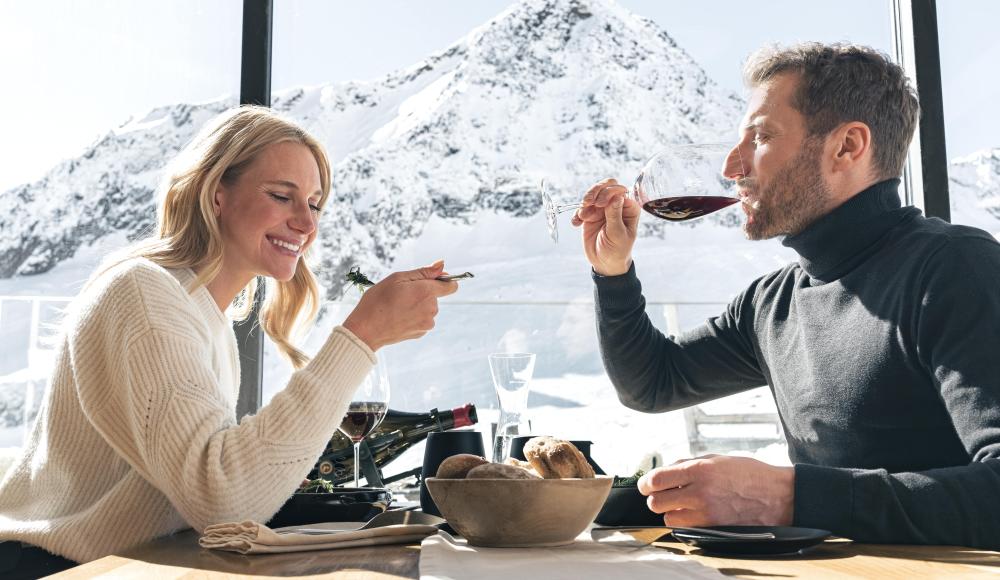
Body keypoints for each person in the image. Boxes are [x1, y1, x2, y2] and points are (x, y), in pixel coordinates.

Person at [574, 42, 1000, 549]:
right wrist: (613, 271)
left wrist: (785, 496)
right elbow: (653, 383)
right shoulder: (773, 302)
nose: (732, 167)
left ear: (847, 147)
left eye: (760, 137)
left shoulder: (956, 269)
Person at [0, 105, 458, 576]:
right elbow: (222, 498)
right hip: (53, 568)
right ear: (217, 194)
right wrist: (362, 336)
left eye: (315, 203)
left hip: (134, 565)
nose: (307, 222)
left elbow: (206, 478)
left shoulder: (205, 315)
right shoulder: (145, 292)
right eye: (283, 196)